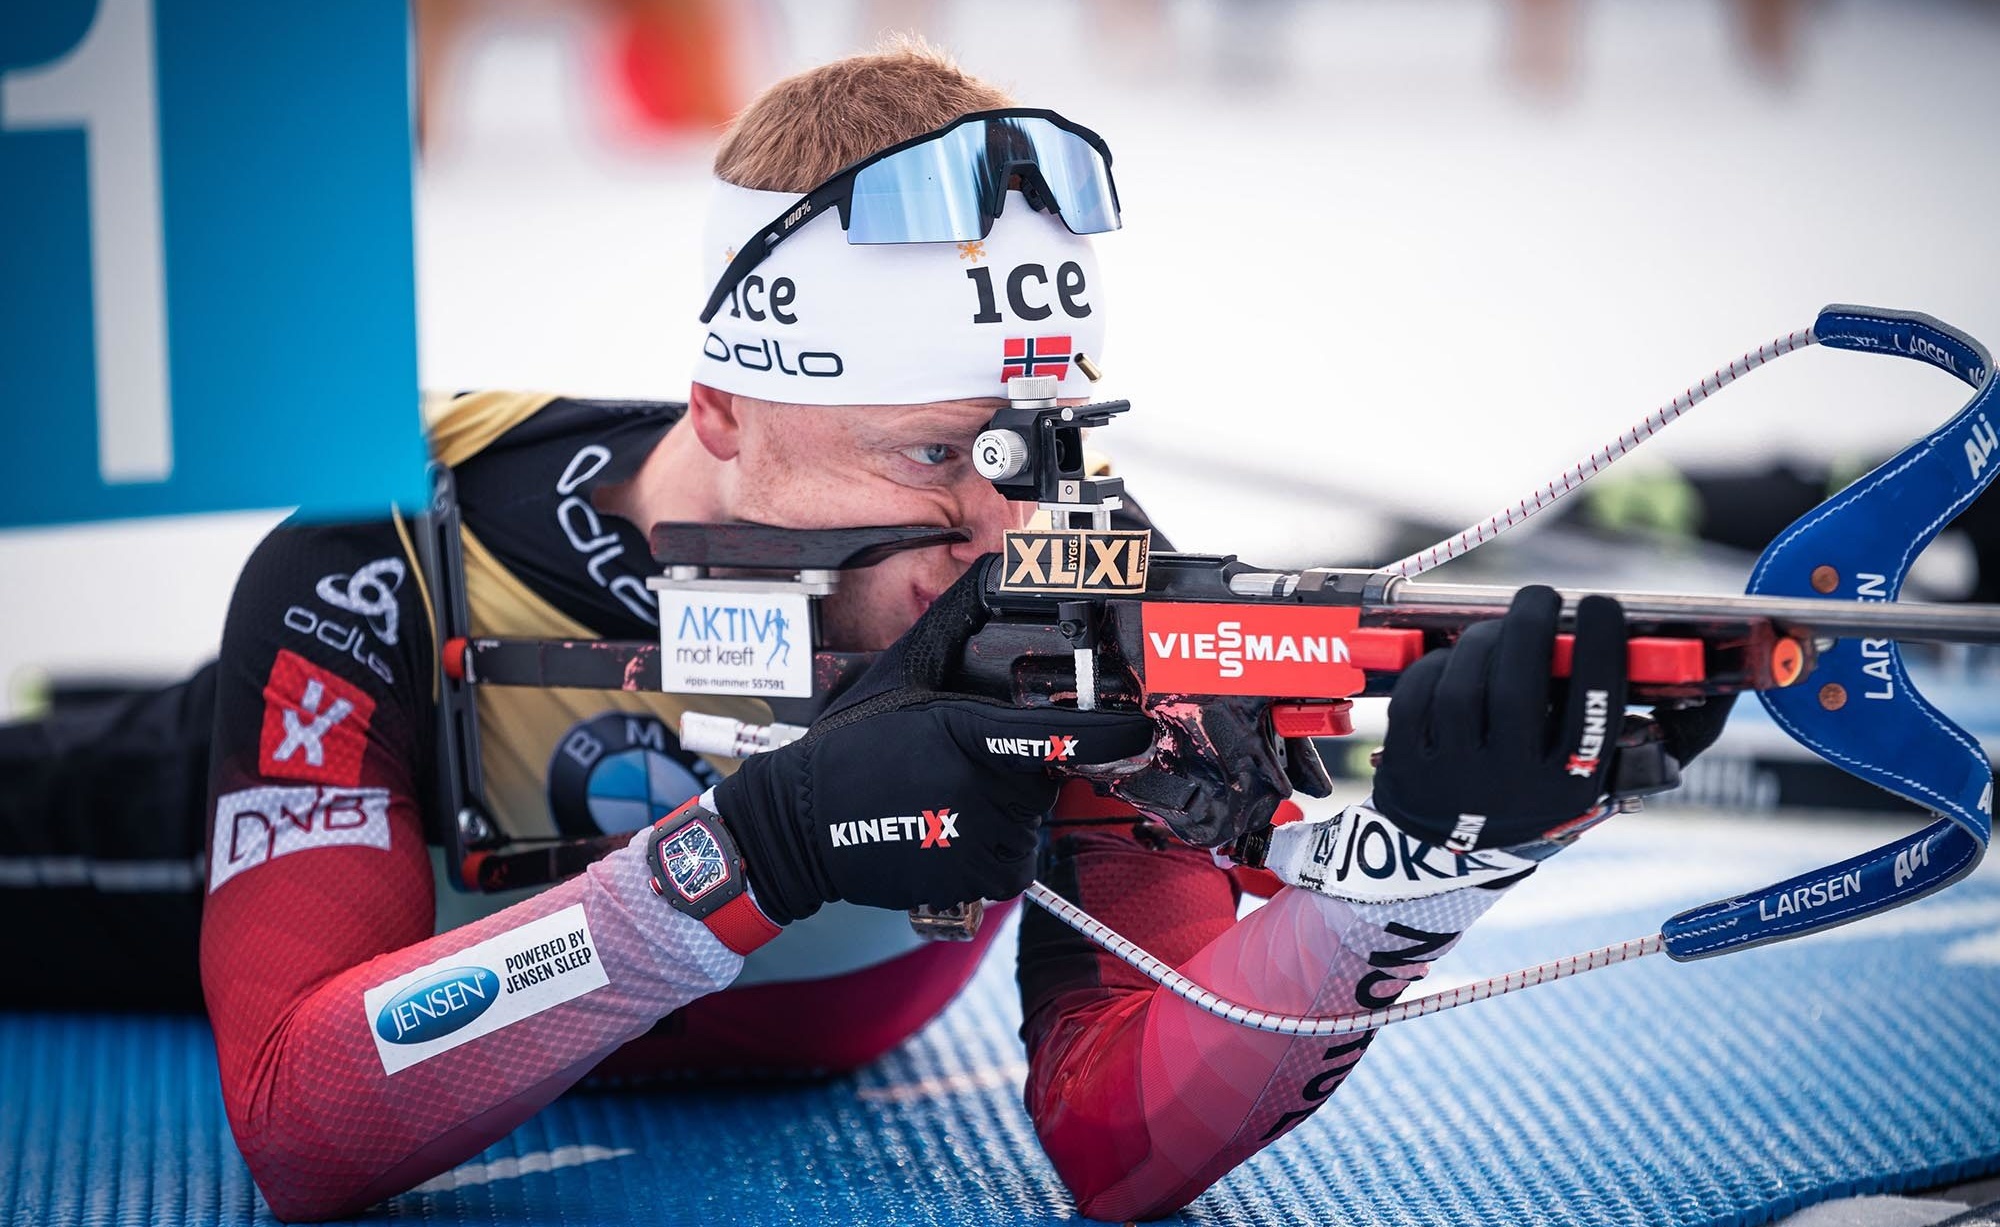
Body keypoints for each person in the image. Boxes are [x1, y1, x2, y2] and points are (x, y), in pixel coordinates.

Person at [0, 39, 1729, 1223]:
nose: (1014, 538)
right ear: (726, 413)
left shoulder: (1078, 584)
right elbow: (300, 1126)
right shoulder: (377, 558)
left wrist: (1413, 873)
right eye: (936, 458)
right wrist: (737, 857)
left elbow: (1119, 1137)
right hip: (181, 832)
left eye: (1042, 453)